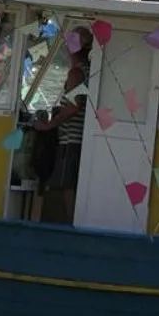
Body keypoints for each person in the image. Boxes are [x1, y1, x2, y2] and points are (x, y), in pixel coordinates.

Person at [32, 26, 92, 225]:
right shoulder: (86, 70)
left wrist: (50, 125)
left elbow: (75, 106)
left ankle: (72, 225)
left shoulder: (76, 73)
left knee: (68, 185)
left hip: (71, 138)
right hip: (76, 137)